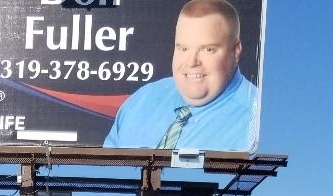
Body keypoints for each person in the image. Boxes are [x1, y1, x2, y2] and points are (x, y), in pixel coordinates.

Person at [104, 0, 257, 153]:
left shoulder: (257, 120)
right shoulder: (141, 101)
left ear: (236, 51)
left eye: (208, 49)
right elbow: (105, 170)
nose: (191, 62)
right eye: (183, 48)